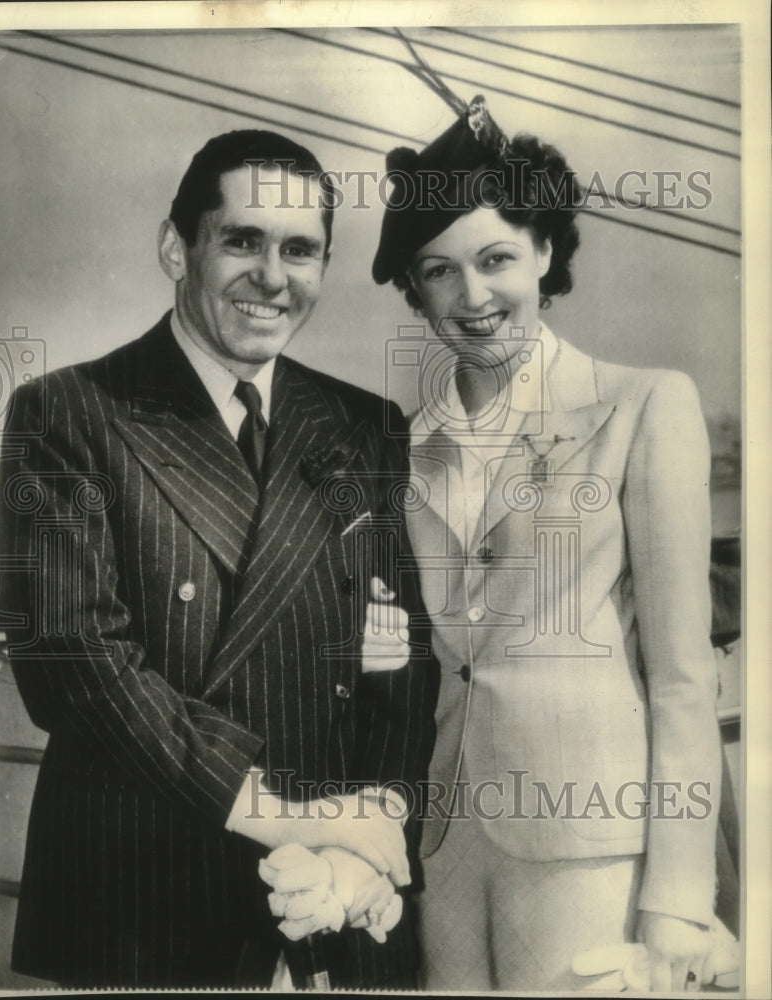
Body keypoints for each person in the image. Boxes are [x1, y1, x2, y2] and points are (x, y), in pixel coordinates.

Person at [0, 129, 438, 989]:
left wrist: (373, 836)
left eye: (300, 250)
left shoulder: (364, 425)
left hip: (329, 902)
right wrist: (278, 815)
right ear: (177, 247)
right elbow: (74, 664)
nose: (273, 277)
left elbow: (404, 668)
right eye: (243, 240)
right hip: (145, 897)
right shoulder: (71, 411)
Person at [372, 94, 722, 992]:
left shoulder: (645, 405)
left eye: (495, 259)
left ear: (546, 250)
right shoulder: (402, 446)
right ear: (416, 289)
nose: (472, 296)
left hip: (594, 845)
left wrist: (677, 899)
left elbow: (683, 677)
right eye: (440, 271)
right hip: (444, 843)